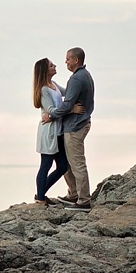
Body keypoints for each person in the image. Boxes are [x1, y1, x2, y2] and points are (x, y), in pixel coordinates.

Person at [49, 47, 94, 210]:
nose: (65, 62)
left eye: (68, 59)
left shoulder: (76, 79)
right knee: (68, 162)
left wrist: (52, 115)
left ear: (76, 61)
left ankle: (83, 201)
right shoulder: (84, 75)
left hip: (75, 125)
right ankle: (73, 194)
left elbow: (67, 103)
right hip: (78, 123)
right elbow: (69, 97)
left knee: (77, 163)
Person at [32, 57, 74, 204]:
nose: (55, 66)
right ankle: (41, 198)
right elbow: (51, 111)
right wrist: (71, 110)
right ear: (45, 70)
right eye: (51, 65)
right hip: (49, 133)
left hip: (58, 132)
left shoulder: (54, 85)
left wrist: (78, 80)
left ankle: (40, 194)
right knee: (46, 165)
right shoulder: (44, 89)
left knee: (62, 167)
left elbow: (68, 92)